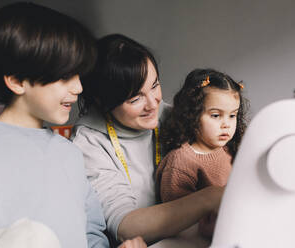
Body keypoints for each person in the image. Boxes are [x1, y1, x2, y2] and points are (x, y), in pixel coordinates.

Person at [0, 3, 145, 248]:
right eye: (65, 76)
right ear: (17, 80)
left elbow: (92, 235)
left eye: (79, 76)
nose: (79, 88)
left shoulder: (70, 154)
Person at [72, 34, 224, 246]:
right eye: (135, 98)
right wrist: (209, 199)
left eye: (155, 86)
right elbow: (125, 227)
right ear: (102, 101)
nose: (153, 104)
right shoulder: (89, 143)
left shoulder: (172, 115)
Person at [156, 68, 248, 238]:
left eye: (232, 115)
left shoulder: (230, 149)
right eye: (215, 115)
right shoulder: (181, 161)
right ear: (191, 114)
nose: (226, 124)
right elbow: (176, 220)